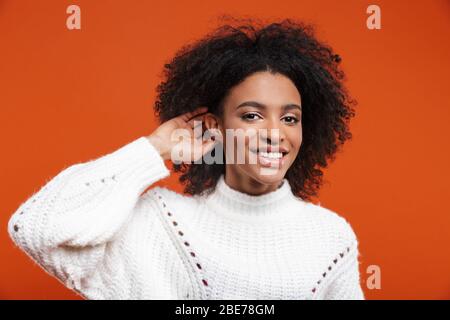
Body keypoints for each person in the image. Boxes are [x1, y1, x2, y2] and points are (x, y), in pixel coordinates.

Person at [7, 18, 364, 300]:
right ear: (215, 126)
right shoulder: (163, 224)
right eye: (252, 115)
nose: (275, 133)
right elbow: (37, 228)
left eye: (290, 118)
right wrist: (153, 149)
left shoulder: (330, 237)